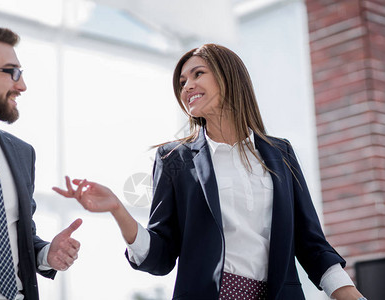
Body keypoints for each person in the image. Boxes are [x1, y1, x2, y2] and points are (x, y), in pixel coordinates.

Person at [53, 44, 366, 300]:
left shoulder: (280, 152)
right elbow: (161, 256)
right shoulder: (174, 158)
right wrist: (118, 210)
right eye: (182, 82)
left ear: (229, 78)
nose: (187, 86)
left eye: (197, 74)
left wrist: (350, 295)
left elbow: (311, 244)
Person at [0, 27, 82, 300]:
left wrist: (47, 253)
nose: (21, 85)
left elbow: (19, 235)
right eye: (11, 71)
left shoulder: (22, 153)